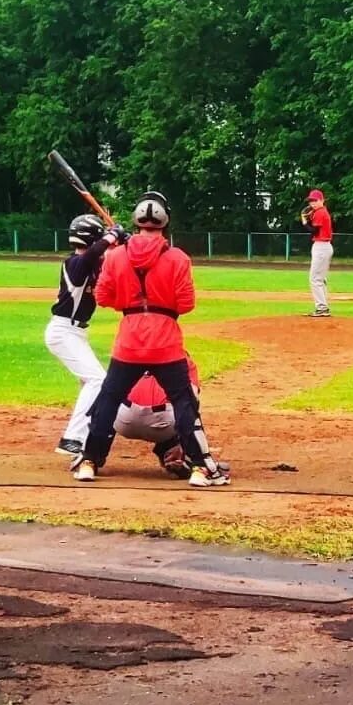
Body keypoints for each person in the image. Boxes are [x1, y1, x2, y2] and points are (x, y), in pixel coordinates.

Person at [76, 190, 229, 488]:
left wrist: (129, 292)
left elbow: (104, 297)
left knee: (108, 400)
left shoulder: (116, 256)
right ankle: (200, 467)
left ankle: (89, 461)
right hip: (166, 341)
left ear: (135, 221)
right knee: (184, 402)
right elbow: (186, 304)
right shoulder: (178, 258)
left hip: (130, 339)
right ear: (165, 222)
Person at [45, 214, 127, 459]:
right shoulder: (74, 263)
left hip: (76, 332)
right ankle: (72, 438)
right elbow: (92, 256)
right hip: (63, 332)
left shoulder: (93, 264)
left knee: (89, 382)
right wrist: (112, 236)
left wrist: (127, 244)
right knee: (97, 381)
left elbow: (111, 263)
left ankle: (84, 433)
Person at [112, 355, 229, 479]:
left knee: (105, 405)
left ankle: (91, 459)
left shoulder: (130, 355)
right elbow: (190, 403)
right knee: (186, 409)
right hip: (162, 425)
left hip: (122, 421)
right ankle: (194, 462)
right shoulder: (183, 360)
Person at [300, 188, 333, 317]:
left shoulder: (320, 212)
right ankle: (323, 307)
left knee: (315, 279)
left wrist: (304, 221)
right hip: (324, 246)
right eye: (310, 201)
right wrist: (309, 218)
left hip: (321, 247)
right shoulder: (320, 212)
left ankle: (321, 308)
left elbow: (314, 231)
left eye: (315, 200)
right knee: (320, 279)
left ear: (322, 200)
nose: (312, 203)